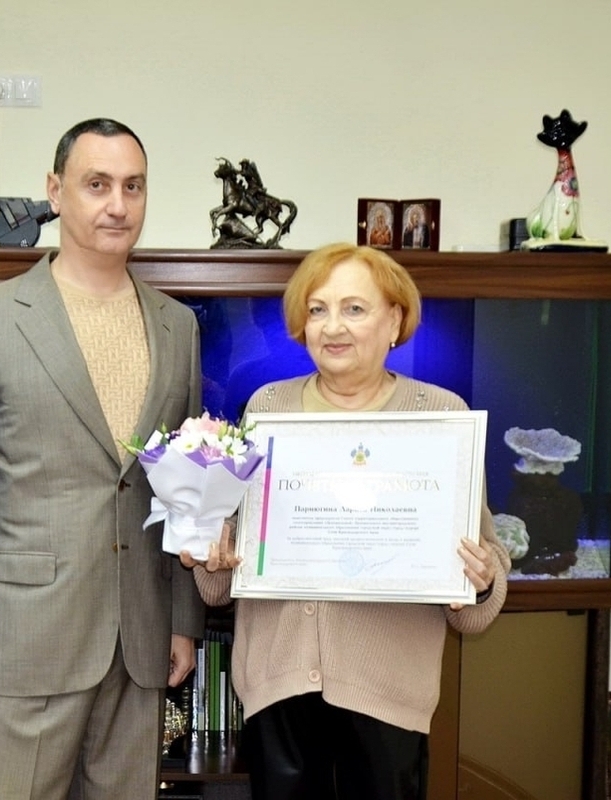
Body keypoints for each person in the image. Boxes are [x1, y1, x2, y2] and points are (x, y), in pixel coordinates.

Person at [0, 117, 205, 800]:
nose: (118, 205)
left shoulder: (178, 326)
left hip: (140, 643)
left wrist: (183, 621)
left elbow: (188, 490)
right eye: (97, 184)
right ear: (55, 190)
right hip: (25, 639)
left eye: (133, 187)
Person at [182, 243, 510, 800]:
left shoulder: (440, 417)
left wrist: (478, 583)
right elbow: (225, 574)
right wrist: (213, 551)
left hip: (389, 696)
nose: (332, 326)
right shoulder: (267, 409)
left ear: (394, 321)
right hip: (278, 692)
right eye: (318, 309)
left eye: (354, 309)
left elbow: (485, 578)